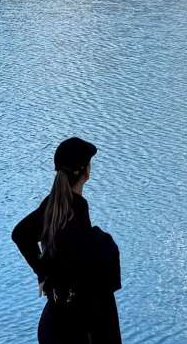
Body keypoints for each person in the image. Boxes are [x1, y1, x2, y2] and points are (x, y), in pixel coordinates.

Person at [11, 137, 122, 344]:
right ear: (86, 173)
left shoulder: (51, 205)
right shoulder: (77, 210)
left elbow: (20, 234)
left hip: (52, 324)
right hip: (74, 329)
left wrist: (43, 271)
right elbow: (82, 266)